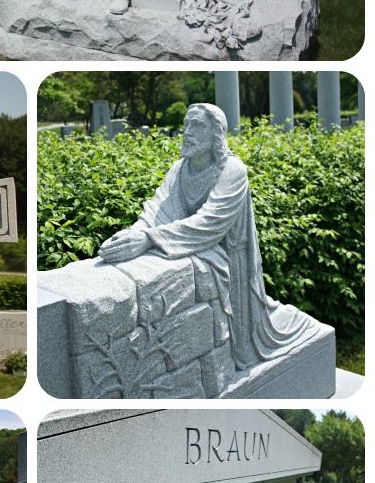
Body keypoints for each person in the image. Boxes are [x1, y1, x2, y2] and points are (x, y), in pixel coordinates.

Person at [97, 103, 314, 369]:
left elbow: (209, 223)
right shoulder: (179, 168)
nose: (187, 132)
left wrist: (150, 239)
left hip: (233, 262)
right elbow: (158, 208)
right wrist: (134, 234)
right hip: (196, 250)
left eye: (196, 125)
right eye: (186, 124)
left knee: (246, 347)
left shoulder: (232, 170)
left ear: (216, 134)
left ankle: (293, 323)